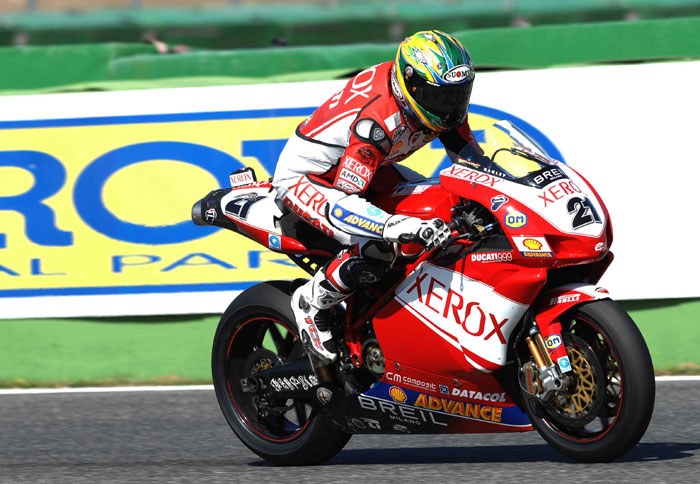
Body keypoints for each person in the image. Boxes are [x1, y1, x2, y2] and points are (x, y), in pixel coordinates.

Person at [272, 30, 483, 363]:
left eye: (458, 94)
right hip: (312, 178)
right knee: (379, 245)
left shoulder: (438, 106)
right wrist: (395, 225)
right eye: (441, 96)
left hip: (372, 167)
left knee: (449, 207)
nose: (451, 106)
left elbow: (473, 164)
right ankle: (311, 302)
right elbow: (346, 204)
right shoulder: (378, 121)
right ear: (410, 84)